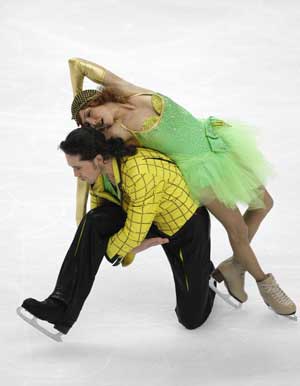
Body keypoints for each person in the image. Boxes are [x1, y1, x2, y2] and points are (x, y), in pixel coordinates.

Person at [67, 57, 297, 317]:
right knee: (237, 229)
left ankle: (234, 266)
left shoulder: (127, 90)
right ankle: (265, 283)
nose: (91, 123)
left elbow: (77, 64)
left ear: (97, 100)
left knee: (264, 203)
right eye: (85, 124)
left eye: (89, 115)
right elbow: (96, 170)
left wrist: (77, 99)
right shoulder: (116, 133)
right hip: (199, 174)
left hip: (213, 143)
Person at [19, 126, 215, 340]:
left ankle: (206, 272)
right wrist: (104, 245)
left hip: (184, 226)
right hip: (146, 217)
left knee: (190, 319)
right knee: (93, 222)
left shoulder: (140, 172)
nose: (76, 175)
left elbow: (135, 230)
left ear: (98, 159)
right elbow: (100, 213)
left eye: (78, 167)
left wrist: (111, 252)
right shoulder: (100, 172)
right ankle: (61, 304)